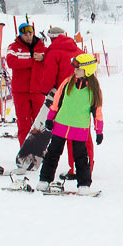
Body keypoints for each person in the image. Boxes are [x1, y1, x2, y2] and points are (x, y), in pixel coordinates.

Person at [36, 54, 104, 195]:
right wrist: (50, 118)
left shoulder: (94, 90)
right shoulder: (68, 82)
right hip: (61, 125)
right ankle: (44, 180)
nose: (75, 71)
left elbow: (97, 112)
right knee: (52, 153)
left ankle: (84, 184)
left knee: (80, 157)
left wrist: (99, 131)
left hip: (79, 129)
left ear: (88, 70)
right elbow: (56, 102)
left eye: (78, 68)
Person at [5, 22, 48, 145]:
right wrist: (32, 61)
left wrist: (43, 58)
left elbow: (51, 59)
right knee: (23, 123)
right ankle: (24, 150)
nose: (28, 36)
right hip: (20, 92)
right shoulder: (13, 47)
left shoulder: (42, 48)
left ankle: (39, 149)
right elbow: (11, 62)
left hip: (38, 91)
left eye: (30, 33)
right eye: (25, 34)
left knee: (39, 123)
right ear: (20, 35)